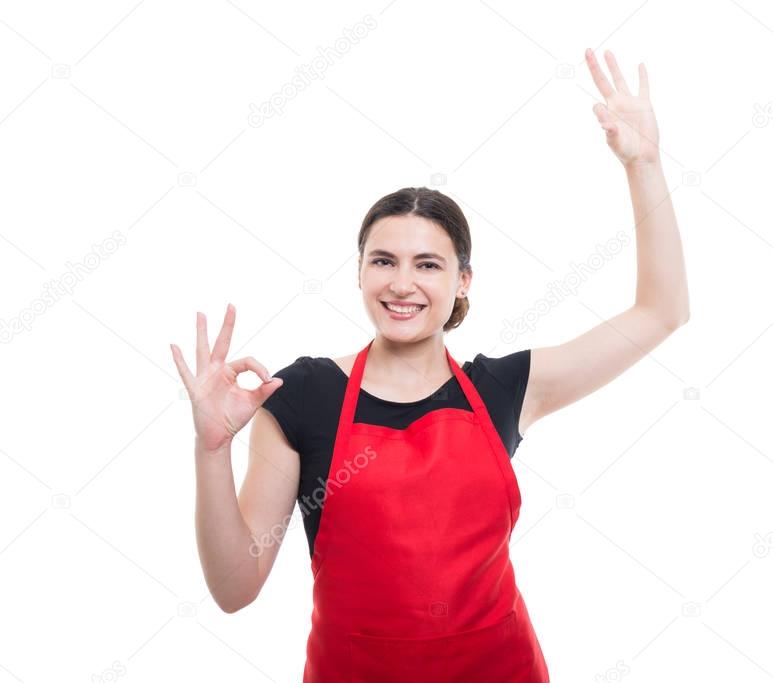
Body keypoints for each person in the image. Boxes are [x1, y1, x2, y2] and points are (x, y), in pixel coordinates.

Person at [170, 47, 689, 683]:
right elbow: (234, 587)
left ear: (463, 281)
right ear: (359, 272)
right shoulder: (302, 395)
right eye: (383, 261)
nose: (402, 284)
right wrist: (211, 449)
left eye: (428, 264)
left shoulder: (507, 389)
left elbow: (662, 312)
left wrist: (645, 165)